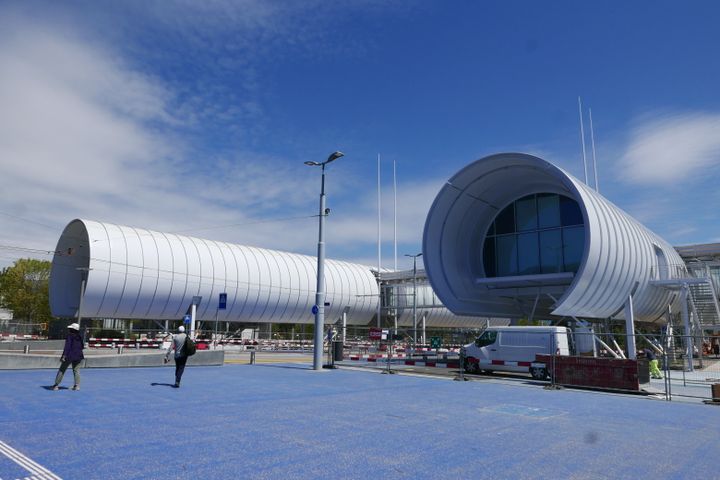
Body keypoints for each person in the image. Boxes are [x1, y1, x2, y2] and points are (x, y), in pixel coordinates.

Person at [52, 323, 84, 391]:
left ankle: (56, 385)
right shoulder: (80, 336)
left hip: (69, 355)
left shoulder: (70, 336)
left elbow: (67, 346)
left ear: (72, 329)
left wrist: (64, 356)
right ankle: (77, 386)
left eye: (70, 328)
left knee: (62, 370)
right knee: (76, 370)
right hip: (79, 355)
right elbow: (82, 346)